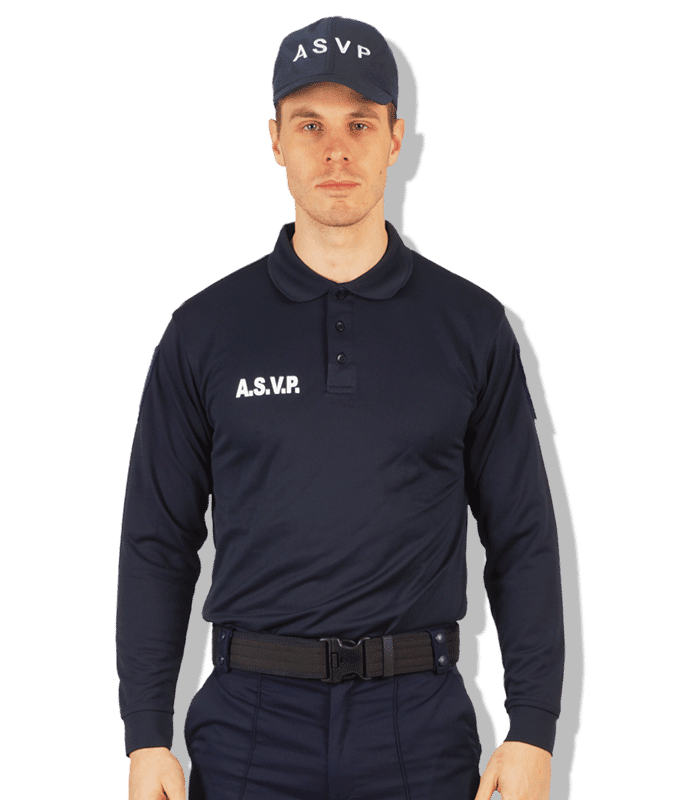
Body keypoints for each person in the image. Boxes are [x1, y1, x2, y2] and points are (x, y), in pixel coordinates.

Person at [116, 15, 565, 800]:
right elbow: (159, 539)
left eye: (359, 123)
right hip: (250, 726)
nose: (335, 150)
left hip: (418, 726)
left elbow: (522, 534)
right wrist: (148, 736)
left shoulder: (472, 326)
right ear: (275, 142)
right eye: (310, 124)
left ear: (396, 140)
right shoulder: (205, 329)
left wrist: (532, 726)